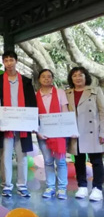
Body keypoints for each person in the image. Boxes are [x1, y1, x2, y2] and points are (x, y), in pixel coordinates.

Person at [0, 51, 37, 198]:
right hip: (5, 124)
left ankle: (22, 186)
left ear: (16, 61)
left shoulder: (26, 81)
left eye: (11, 60)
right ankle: (6, 186)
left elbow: (32, 102)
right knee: (5, 155)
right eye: (6, 60)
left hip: (23, 124)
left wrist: (33, 122)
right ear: (3, 63)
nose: (9, 63)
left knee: (22, 156)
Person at [65, 66, 104, 202]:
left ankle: (97, 188)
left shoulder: (95, 91)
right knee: (79, 161)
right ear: (71, 78)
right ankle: (82, 186)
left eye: (80, 75)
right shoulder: (67, 93)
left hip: (93, 131)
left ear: (86, 77)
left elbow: (102, 112)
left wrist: (103, 132)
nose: (77, 78)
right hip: (75, 132)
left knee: (96, 161)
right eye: (74, 75)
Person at [36, 69, 69, 200]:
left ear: (52, 79)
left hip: (59, 133)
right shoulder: (35, 95)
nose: (46, 79)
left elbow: (65, 112)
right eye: (43, 76)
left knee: (61, 162)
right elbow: (33, 117)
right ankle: (50, 187)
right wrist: (37, 132)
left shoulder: (60, 93)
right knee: (48, 161)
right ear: (39, 79)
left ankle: (62, 188)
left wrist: (66, 130)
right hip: (43, 134)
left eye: (49, 76)